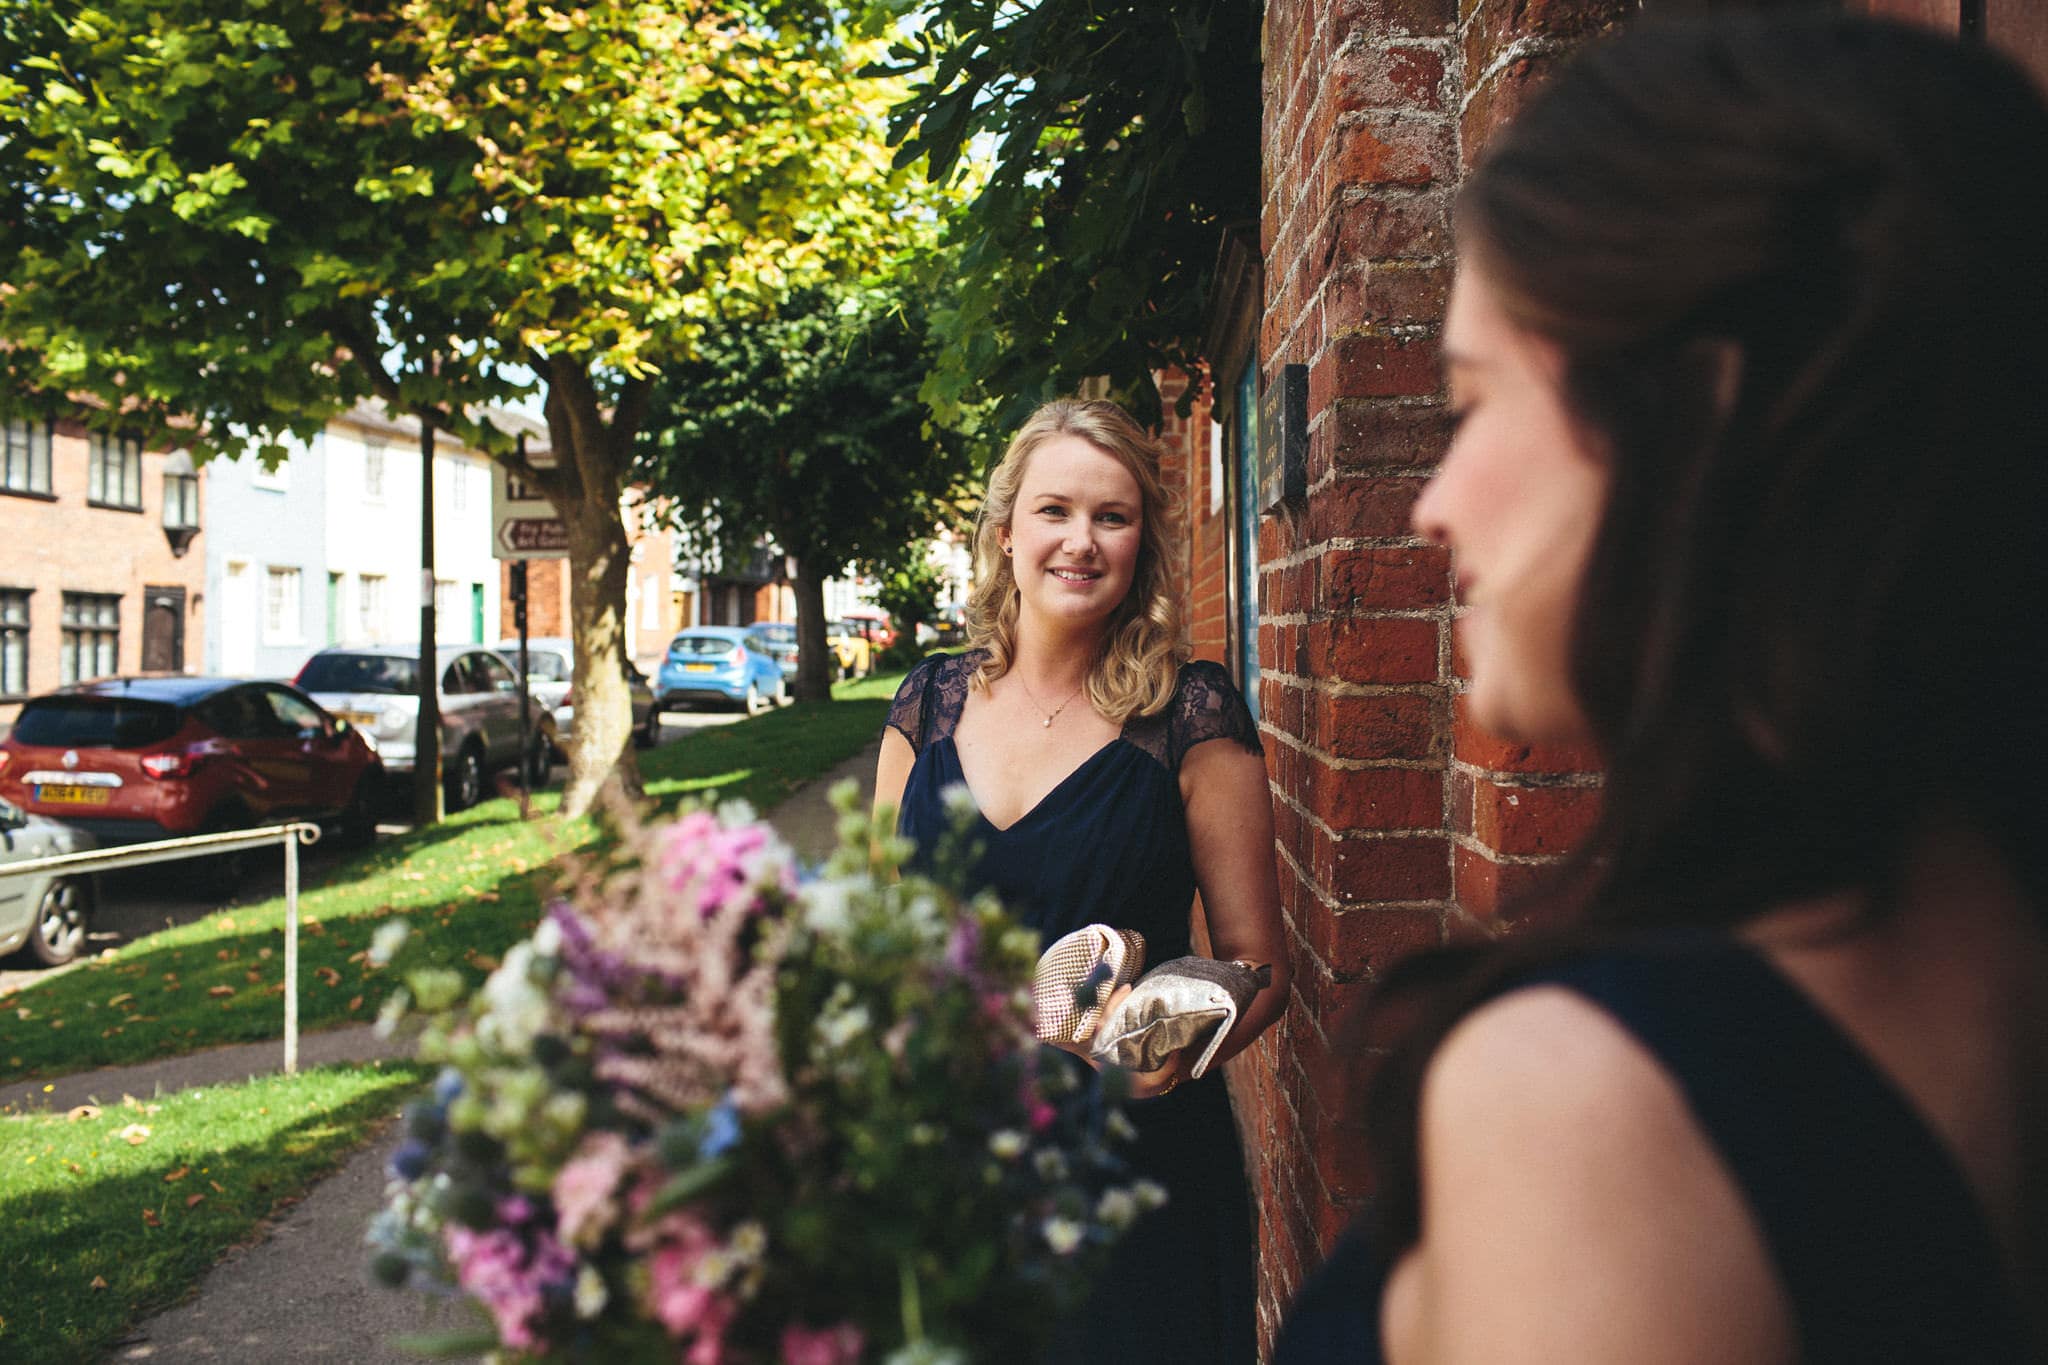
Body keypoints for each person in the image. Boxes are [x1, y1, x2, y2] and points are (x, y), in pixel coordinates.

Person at [1273, 14, 2048, 1365]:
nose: (1433, 508)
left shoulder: (1586, 1104)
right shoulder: (1986, 918)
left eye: (1473, 402)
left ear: (1697, 412)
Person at [874, 397, 1289, 1363]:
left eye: (1113, 516)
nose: (1081, 541)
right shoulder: (925, 706)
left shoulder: (1190, 716)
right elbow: (874, 940)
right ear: (1006, 528)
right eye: (1055, 510)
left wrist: (1147, 1056)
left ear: (1142, 544)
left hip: (1128, 1181)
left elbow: (1258, 966)